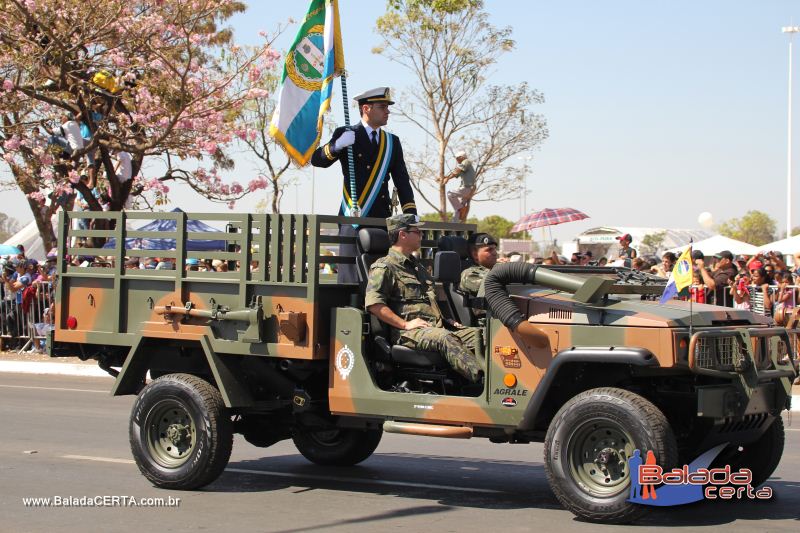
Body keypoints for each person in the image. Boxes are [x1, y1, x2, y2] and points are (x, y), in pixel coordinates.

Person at [312, 87, 417, 283]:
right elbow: (318, 160)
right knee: (351, 277)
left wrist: (410, 210)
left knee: (379, 276)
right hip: (353, 218)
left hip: (380, 217)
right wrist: (336, 147)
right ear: (366, 109)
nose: (387, 111)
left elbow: (401, 179)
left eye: (387, 107)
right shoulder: (347, 133)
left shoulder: (392, 142)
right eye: (382, 106)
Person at [365, 214, 484, 383]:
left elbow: (426, 300)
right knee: (445, 338)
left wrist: (447, 320)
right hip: (408, 333)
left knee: (484, 335)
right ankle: (484, 383)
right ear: (402, 235)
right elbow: (374, 304)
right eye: (417, 231)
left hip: (435, 327)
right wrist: (405, 324)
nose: (421, 235)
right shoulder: (384, 267)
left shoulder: (417, 266)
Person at [459, 233, 498, 320]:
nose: (495, 253)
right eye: (489, 250)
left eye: (495, 249)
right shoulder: (469, 274)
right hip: (487, 324)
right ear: (475, 254)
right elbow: (493, 282)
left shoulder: (495, 270)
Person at [446, 150, 477, 222]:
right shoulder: (464, 168)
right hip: (469, 190)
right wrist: (445, 177)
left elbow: (457, 171)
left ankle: (461, 209)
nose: (456, 160)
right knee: (458, 208)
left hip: (467, 188)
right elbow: (455, 174)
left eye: (457, 158)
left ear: (461, 157)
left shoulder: (466, 161)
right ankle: (454, 225)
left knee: (450, 193)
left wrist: (446, 178)